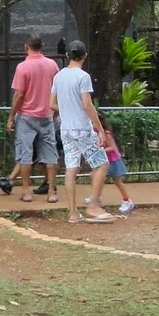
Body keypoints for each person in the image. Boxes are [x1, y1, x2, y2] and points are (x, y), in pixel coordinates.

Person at [51, 42, 115, 224]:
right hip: (82, 128)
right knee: (102, 163)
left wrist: (67, 109)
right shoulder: (83, 76)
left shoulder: (59, 76)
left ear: (67, 55)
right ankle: (93, 205)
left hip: (66, 129)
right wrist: (100, 129)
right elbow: (87, 105)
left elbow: (51, 104)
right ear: (84, 56)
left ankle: (72, 213)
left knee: (71, 168)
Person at [5, 36, 60, 202]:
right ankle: (51, 192)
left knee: (25, 155)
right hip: (47, 115)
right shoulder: (53, 65)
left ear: (26, 46)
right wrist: (56, 110)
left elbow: (18, 95)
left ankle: (26, 192)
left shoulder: (23, 67)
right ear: (42, 46)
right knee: (50, 154)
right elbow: (57, 89)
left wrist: (11, 117)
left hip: (27, 117)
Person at [94, 110, 136, 215]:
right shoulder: (96, 133)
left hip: (113, 160)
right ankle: (96, 196)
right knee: (96, 177)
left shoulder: (106, 133)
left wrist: (99, 151)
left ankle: (127, 200)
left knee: (117, 181)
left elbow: (112, 148)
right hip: (105, 160)